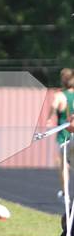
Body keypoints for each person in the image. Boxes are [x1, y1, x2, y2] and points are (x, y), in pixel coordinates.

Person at [46, 68, 74, 197]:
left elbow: (53, 106)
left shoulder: (60, 95)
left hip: (65, 134)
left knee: (63, 163)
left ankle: (65, 192)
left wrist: (49, 119)